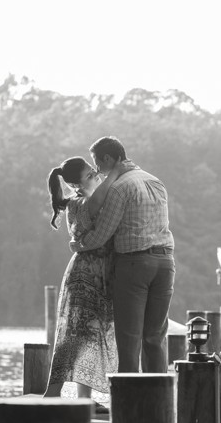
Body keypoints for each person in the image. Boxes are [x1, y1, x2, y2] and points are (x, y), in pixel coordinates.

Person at [69, 136, 175, 373]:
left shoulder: (119, 188)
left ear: (108, 158)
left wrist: (79, 244)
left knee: (129, 340)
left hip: (135, 265)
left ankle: (130, 404)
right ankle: (157, 401)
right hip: (165, 263)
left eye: (97, 162)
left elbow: (102, 235)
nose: (96, 169)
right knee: (155, 337)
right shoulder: (155, 181)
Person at [42, 156, 128, 405]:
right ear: (77, 185)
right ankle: (53, 393)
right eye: (91, 175)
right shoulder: (80, 202)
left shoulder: (91, 199)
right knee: (74, 335)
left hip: (100, 273)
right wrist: (115, 173)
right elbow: (98, 200)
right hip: (85, 274)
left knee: (89, 336)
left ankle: (83, 399)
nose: (97, 175)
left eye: (94, 172)